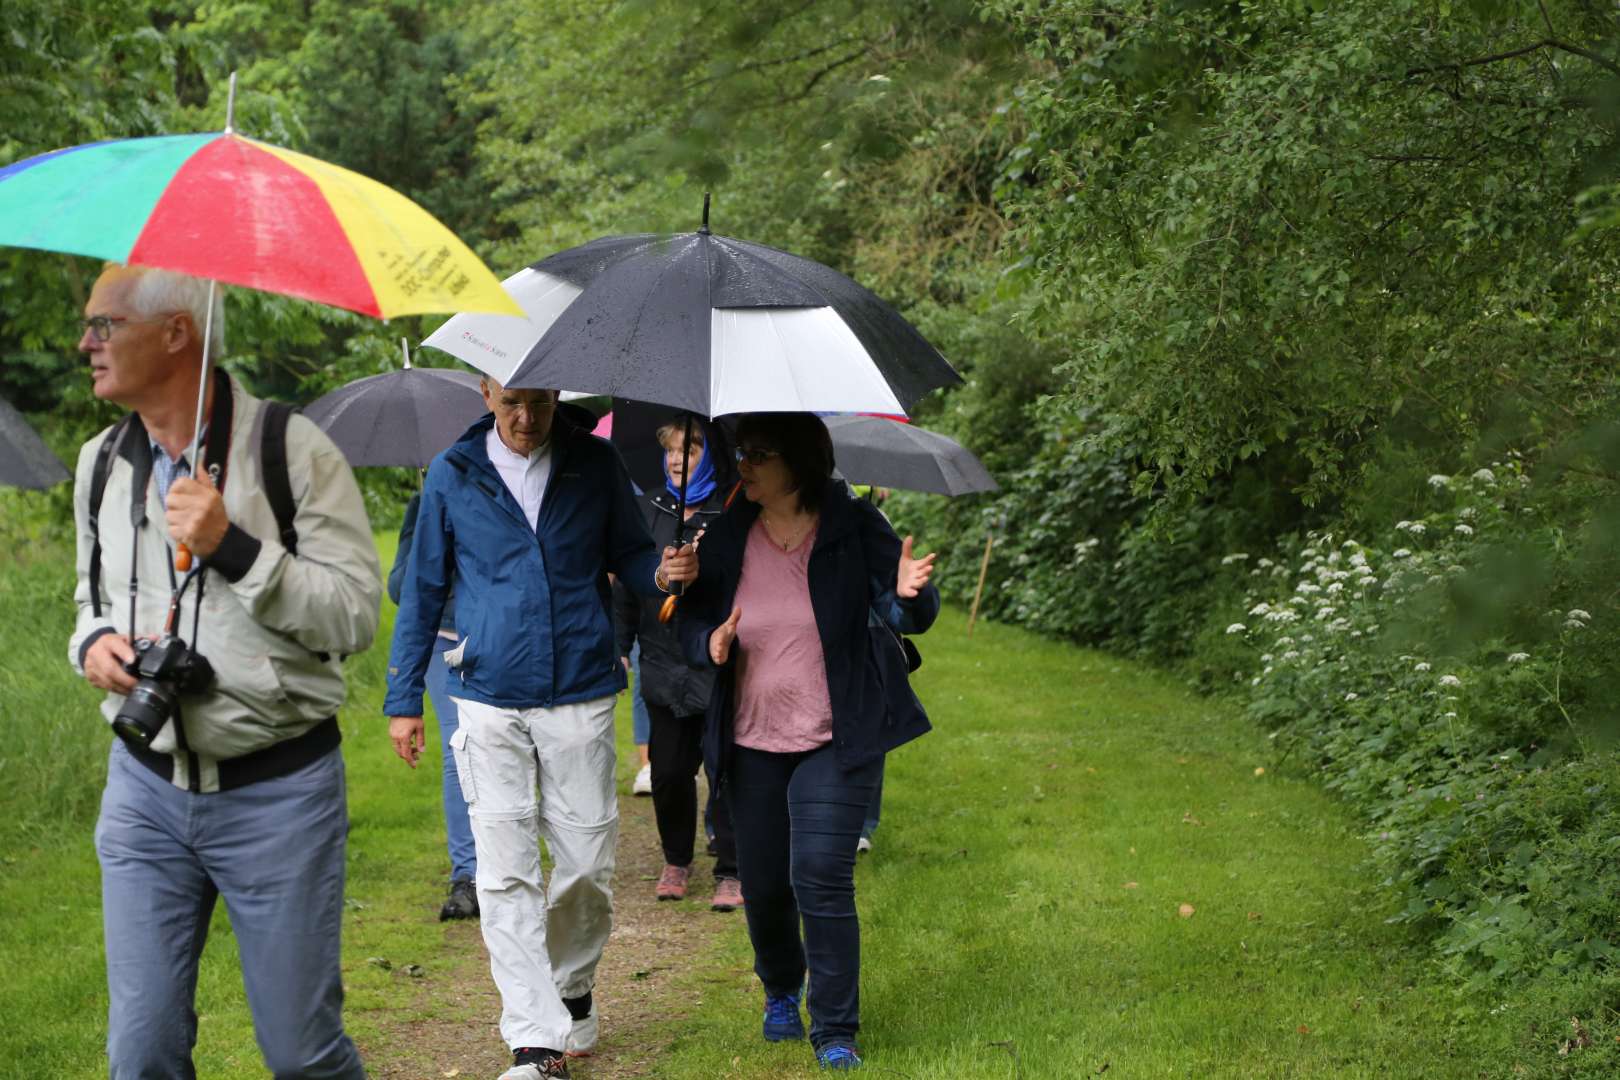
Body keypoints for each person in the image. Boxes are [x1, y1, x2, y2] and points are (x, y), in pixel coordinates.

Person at [69, 264, 382, 1079]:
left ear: (176, 333)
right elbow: (87, 597)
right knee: (140, 1055)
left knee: (301, 1054)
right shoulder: (100, 463)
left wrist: (235, 549)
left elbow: (354, 615)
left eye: (104, 326)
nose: (85, 344)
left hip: (279, 793)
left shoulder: (292, 451)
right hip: (143, 791)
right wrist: (93, 643)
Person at [384, 378, 696, 1080]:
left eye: (540, 402)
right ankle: (535, 1040)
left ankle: (572, 983)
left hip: (580, 685)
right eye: (510, 402)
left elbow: (633, 559)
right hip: (486, 690)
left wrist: (668, 571)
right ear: (486, 393)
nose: (526, 418)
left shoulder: (594, 462)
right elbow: (424, 589)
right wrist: (403, 698)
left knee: (588, 863)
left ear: (558, 395)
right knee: (504, 873)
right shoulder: (453, 473)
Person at [679, 413, 939, 1071]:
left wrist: (911, 595)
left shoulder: (852, 524)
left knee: (822, 875)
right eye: (740, 452)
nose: (743, 465)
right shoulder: (729, 529)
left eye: (758, 454)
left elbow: (904, 607)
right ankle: (779, 988)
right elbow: (693, 623)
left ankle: (835, 1029)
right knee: (764, 885)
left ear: (798, 459)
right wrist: (707, 639)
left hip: (836, 731)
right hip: (752, 736)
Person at [613, 417, 740, 910]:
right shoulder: (648, 509)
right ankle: (677, 858)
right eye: (669, 451)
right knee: (667, 772)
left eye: (687, 451)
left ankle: (732, 868)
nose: (674, 460)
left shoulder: (731, 510)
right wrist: (620, 644)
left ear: (709, 456)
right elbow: (628, 582)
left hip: (719, 661)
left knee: (727, 768)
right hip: (662, 660)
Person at [388, 492, 479, 920]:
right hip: (443, 644)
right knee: (456, 751)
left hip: (500, 639)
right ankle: (468, 877)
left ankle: (514, 863)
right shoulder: (421, 503)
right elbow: (397, 589)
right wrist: (431, 546)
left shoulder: (500, 495)